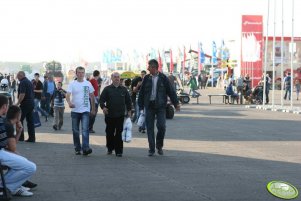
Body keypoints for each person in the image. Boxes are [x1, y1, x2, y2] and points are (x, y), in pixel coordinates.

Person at [138, 59, 180, 156]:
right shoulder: (146, 78)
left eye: (149, 66)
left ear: (154, 67)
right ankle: (151, 149)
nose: (147, 68)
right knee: (149, 128)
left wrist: (176, 103)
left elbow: (171, 91)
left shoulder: (163, 78)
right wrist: (140, 106)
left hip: (161, 106)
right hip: (149, 106)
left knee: (162, 126)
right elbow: (142, 93)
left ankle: (159, 146)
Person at [0, 95, 36, 196]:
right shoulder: (4, 123)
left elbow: (8, 145)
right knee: (30, 167)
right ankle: (8, 187)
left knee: (21, 160)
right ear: (4, 107)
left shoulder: (3, 121)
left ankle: (12, 187)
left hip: (2, 151)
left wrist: (19, 132)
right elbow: (12, 147)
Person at [99, 72, 132, 157]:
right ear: (112, 78)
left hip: (120, 115)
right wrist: (103, 107)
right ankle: (110, 148)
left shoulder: (124, 89)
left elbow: (128, 101)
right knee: (109, 132)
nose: (117, 78)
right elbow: (101, 100)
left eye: (118, 77)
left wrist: (129, 110)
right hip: (109, 115)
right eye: (115, 77)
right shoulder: (107, 89)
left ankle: (119, 151)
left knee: (119, 133)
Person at [66, 66, 95, 156]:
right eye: (79, 72)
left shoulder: (88, 83)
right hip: (75, 110)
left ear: (84, 73)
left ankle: (85, 148)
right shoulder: (72, 84)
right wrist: (69, 102)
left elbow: (92, 96)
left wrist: (93, 109)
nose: (81, 74)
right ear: (76, 73)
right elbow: (67, 95)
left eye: (82, 72)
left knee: (85, 130)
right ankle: (77, 148)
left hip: (85, 110)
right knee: (75, 130)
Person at [15, 71, 35, 142]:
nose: (17, 78)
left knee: (19, 120)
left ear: (20, 76)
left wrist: (17, 103)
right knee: (30, 121)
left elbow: (22, 94)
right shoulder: (29, 82)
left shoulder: (23, 82)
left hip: (25, 103)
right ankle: (32, 138)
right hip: (31, 103)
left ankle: (20, 137)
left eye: (17, 76)